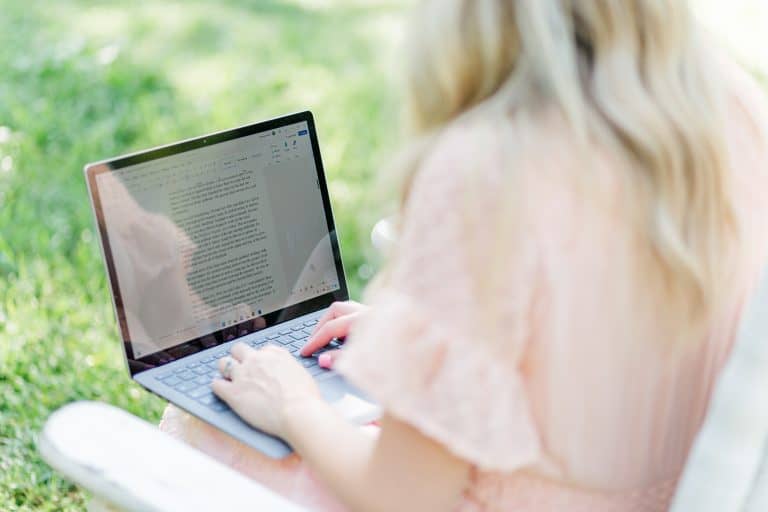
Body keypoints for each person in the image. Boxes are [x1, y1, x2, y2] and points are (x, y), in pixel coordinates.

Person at [160, 0, 768, 510]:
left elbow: (400, 496)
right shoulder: (730, 105)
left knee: (204, 424)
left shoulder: (489, 170)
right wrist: (438, 351)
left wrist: (293, 406)